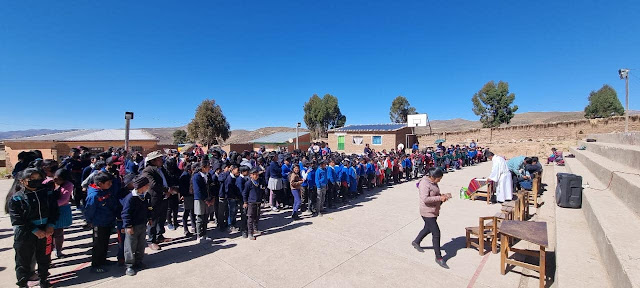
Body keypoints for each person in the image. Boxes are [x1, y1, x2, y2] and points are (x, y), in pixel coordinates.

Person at [7, 168, 59, 288]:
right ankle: (23, 283)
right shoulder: (16, 198)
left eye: (38, 178)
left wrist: (51, 225)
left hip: (46, 231)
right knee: (23, 260)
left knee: (44, 257)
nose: (35, 181)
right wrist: (35, 230)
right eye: (31, 179)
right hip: (26, 233)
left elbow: (54, 211)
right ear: (22, 181)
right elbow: (17, 219)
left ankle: (44, 280)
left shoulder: (47, 193)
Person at [412, 167, 450, 269]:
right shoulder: (424, 184)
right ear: (432, 177)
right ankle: (439, 257)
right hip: (427, 212)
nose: (439, 181)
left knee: (428, 228)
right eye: (439, 179)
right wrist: (439, 198)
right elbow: (425, 199)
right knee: (436, 233)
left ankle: (416, 242)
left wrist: (443, 196)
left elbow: (434, 194)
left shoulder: (432, 182)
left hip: (433, 210)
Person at [85, 172, 118, 273]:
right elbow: (89, 210)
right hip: (99, 223)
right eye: (108, 183)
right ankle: (96, 264)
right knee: (98, 244)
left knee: (105, 243)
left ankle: (103, 260)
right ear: (100, 183)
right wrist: (89, 221)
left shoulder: (105, 191)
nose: (110, 185)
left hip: (107, 221)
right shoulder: (93, 195)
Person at [121, 176, 151, 276]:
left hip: (142, 224)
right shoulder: (130, 198)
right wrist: (128, 226)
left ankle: (139, 261)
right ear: (141, 186)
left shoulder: (145, 195)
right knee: (130, 246)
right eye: (147, 185)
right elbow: (126, 213)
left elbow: (148, 208)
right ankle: (129, 265)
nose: (148, 186)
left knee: (141, 244)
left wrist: (149, 218)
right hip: (132, 226)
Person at [142, 151, 170, 251]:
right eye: (159, 159)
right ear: (153, 160)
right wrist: (166, 190)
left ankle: (159, 236)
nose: (161, 160)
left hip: (163, 197)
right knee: (153, 220)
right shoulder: (148, 171)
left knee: (161, 218)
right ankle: (151, 240)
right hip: (154, 198)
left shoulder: (161, 169)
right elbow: (153, 185)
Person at [52, 168, 74, 258]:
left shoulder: (68, 185)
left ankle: (58, 250)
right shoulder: (50, 182)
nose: (55, 180)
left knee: (58, 232)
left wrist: (50, 205)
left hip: (61, 210)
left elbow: (64, 199)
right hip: (50, 209)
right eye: (55, 178)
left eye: (58, 179)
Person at [193, 161, 213, 242]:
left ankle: (205, 234)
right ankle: (199, 235)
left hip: (208, 199)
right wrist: (205, 200)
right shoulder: (196, 176)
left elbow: (211, 187)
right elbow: (198, 191)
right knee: (200, 218)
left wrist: (211, 198)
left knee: (205, 217)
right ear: (203, 167)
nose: (209, 168)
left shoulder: (208, 175)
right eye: (208, 167)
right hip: (200, 199)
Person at [243, 168, 265, 240]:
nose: (256, 176)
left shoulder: (260, 181)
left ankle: (255, 229)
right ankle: (250, 233)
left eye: (257, 174)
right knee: (250, 218)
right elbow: (245, 193)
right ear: (251, 175)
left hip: (258, 202)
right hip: (251, 202)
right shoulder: (248, 183)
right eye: (254, 174)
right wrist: (245, 202)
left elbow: (262, 190)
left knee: (257, 216)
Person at [179, 164, 196, 237]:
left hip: (190, 195)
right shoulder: (184, 176)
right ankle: (186, 229)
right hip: (187, 196)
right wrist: (183, 195)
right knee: (186, 212)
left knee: (192, 211)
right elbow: (182, 187)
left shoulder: (188, 175)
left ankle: (193, 226)